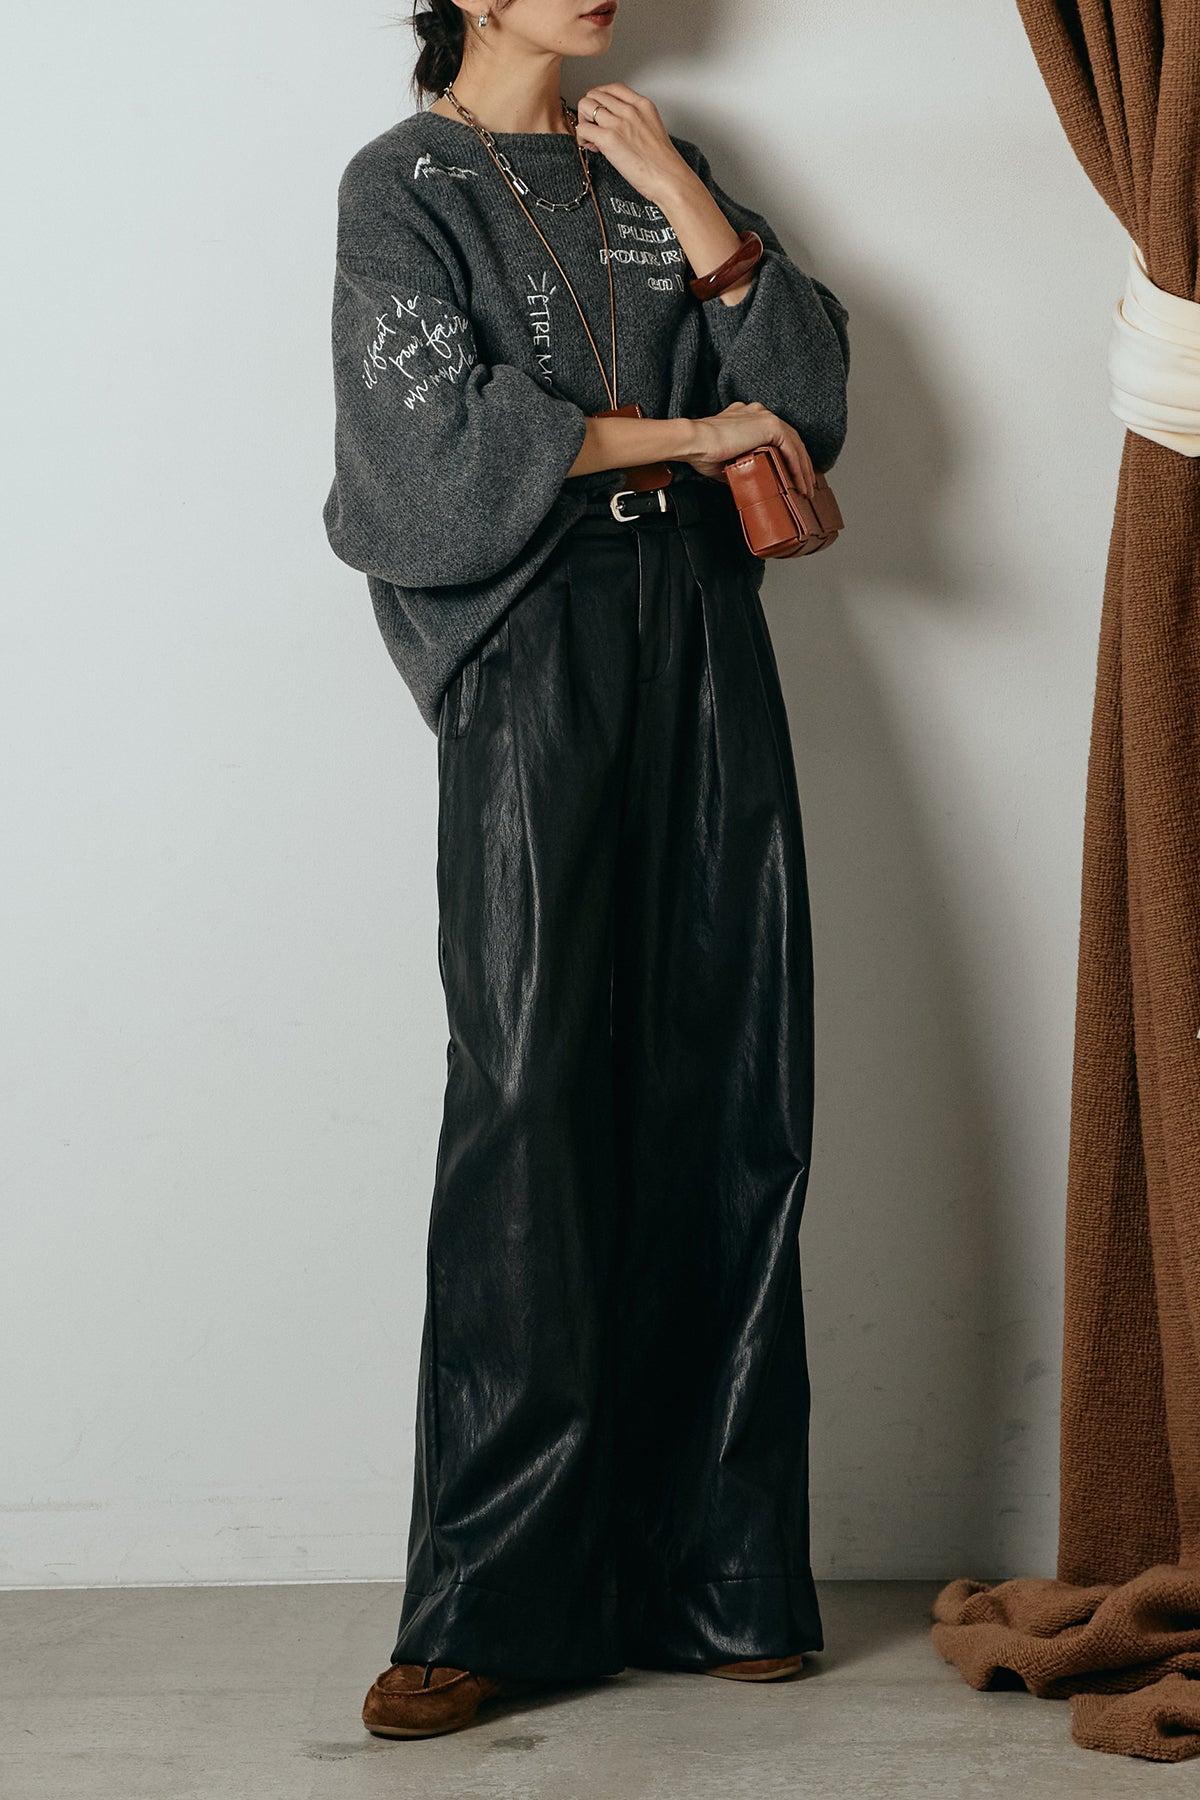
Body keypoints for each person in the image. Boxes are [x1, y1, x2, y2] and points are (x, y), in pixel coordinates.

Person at [321, 0, 850, 1742]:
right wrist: (691, 437)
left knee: (736, 1076)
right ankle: (494, 1598)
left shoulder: (658, 158)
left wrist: (690, 204)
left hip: (702, 623)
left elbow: (810, 402)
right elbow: (431, 451)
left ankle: (723, 1573)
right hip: (536, 635)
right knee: (527, 1089)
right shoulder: (404, 185)